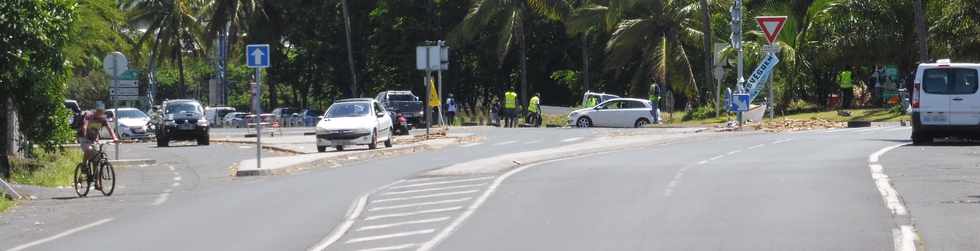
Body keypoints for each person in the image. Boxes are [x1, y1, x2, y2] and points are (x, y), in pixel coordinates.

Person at [78, 108, 118, 189]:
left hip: (94, 139)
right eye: (99, 112)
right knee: (88, 149)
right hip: (84, 138)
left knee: (97, 159)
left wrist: (114, 138)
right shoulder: (89, 116)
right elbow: (85, 125)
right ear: (96, 111)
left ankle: (97, 183)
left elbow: (109, 128)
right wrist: (85, 132)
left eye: (102, 113)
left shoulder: (103, 119)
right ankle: (84, 166)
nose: (100, 114)